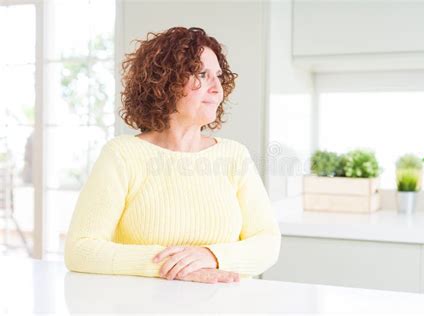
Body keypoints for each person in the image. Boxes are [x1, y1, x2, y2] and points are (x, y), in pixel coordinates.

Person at [64, 27, 281, 284]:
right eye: (202, 74)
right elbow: (80, 249)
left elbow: (268, 242)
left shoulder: (233, 155)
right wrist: (173, 265)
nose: (216, 88)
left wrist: (211, 256)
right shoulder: (122, 155)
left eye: (219, 76)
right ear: (166, 82)